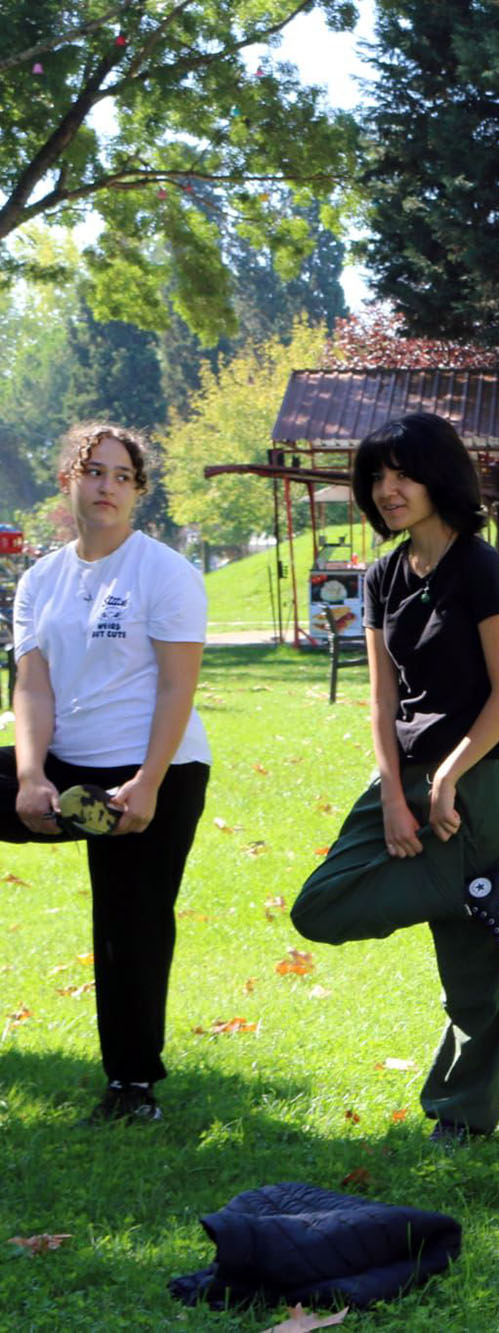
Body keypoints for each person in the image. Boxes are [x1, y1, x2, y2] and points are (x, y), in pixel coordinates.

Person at [290, 413, 499, 1145]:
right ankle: (469, 890)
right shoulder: (382, 575)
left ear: (439, 477)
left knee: (480, 975)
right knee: (320, 906)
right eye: (377, 476)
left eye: (404, 474)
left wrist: (450, 776)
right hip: (406, 774)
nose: (387, 489)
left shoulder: (479, 565)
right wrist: (395, 796)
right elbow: (381, 698)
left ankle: (462, 1115)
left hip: (479, 773)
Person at [2, 423, 209, 1123]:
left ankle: (131, 1087)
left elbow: (178, 687)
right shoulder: (41, 579)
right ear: (69, 480)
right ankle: (68, 803)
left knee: (129, 920)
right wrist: (30, 775)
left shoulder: (164, 572)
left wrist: (148, 782)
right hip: (67, 763)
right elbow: (32, 686)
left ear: (138, 492)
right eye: (94, 471)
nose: (107, 487)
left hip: (155, 767)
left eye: (123, 476)